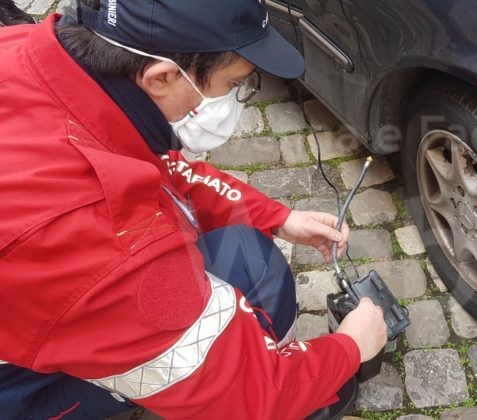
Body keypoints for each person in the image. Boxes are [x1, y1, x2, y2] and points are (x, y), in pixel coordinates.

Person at [0, 0, 388, 419]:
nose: (238, 96)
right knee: (252, 277)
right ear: (161, 78)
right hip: (18, 387)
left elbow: (152, 166)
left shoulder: (24, 53)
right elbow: (246, 395)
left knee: (248, 257)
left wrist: (277, 218)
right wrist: (351, 347)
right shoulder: (106, 248)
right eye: (234, 82)